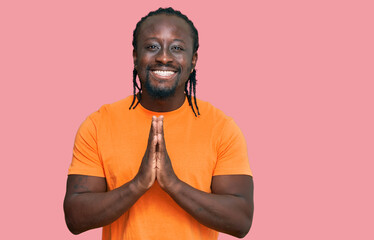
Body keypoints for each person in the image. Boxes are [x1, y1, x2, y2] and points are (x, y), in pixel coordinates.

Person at [64, 7, 253, 240]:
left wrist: (173, 184)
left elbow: (241, 221)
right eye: (152, 47)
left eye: (177, 48)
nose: (164, 57)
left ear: (193, 60)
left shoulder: (222, 128)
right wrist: (138, 185)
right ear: (135, 57)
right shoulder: (97, 125)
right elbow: (74, 217)